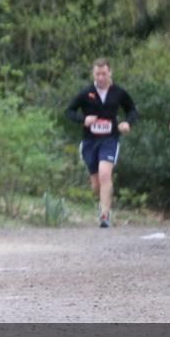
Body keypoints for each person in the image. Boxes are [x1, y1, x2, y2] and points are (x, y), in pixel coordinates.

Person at [65, 59, 138, 228]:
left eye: (103, 73)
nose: (100, 77)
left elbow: (132, 110)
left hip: (110, 140)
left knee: (105, 174)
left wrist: (127, 123)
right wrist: (83, 119)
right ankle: (102, 201)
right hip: (90, 141)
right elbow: (69, 112)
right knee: (96, 184)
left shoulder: (118, 92)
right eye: (97, 74)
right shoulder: (86, 93)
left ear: (110, 73)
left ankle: (105, 215)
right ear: (93, 74)